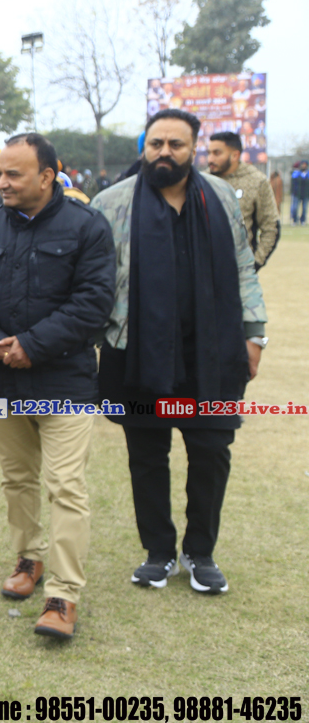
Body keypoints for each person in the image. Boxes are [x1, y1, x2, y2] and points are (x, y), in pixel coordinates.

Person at [92, 108, 266, 596]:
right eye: (156, 144)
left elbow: (243, 265)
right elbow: (95, 281)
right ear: (145, 147)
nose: (164, 152)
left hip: (211, 353)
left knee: (211, 452)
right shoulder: (112, 202)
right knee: (147, 455)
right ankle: (158, 552)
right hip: (138, 352)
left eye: (176, 144)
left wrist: (254, 333)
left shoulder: (221, 197)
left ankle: (200, 553)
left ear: (194, 149)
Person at [0, 134, 116, 641]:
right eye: (0, 173)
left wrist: (31, 345)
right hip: (1, 380)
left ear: (47, 176)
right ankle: (29, 558)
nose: (1, 182)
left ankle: (63, 595)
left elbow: (94, 302)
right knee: (16, 480)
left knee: (66, 486)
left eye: (13, 174)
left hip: (65, 382)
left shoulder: (87, 226)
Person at [206, 131, 279, 268]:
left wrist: (254, 264)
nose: (210, 159)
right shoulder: (201, 181)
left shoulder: (256, 181)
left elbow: (271, 227)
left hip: (239, 268)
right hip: (203, 269)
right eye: (208, 153)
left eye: (217, 153)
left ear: (235, 155)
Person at [291, 161, 308, 226]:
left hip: (305, 194)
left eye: (305, 165)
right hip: (297, 194)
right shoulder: (296, 173)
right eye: (302, 165)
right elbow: (293, 182)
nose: (304, 166)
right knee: (295, 207)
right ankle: (295, 220)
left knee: (304, 208)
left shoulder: (307, 174)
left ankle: (302, 220)